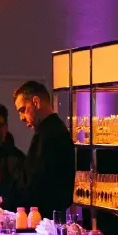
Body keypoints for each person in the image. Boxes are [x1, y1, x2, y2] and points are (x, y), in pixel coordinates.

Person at [13, 79, 76, 221]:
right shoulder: (55, 129)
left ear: (36, 102)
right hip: (52, 215)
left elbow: (33, 182)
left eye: (23, 110)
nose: (21, 118)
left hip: (45, 219)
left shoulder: (47, 134)